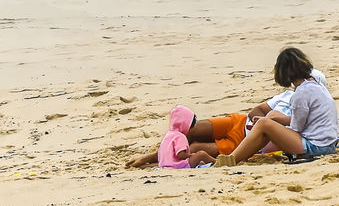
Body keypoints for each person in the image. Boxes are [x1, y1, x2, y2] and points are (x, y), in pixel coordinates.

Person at [125, 68, 328, 168]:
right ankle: (152, 156)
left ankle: (158, 161)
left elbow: (290, 137)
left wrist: (270, 126)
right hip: (238, 122)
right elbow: (256, 110)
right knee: (191, 129)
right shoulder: (287, 95)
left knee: (194, 148)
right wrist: (260, 120)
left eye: (310, 82)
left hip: (244, 142)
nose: (303, 86)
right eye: (304, 81)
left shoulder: (310, 114)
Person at [214, 47, 339, 167]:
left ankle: (232, 159)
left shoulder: (301, 94)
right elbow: (307, 120)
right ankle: (236, 157)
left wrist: (273, 122)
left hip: (316, 147)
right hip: (329, 143)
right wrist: (276, 121)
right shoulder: (316, 84)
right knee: (266, 125)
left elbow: (297, 127)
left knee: (263, 124)